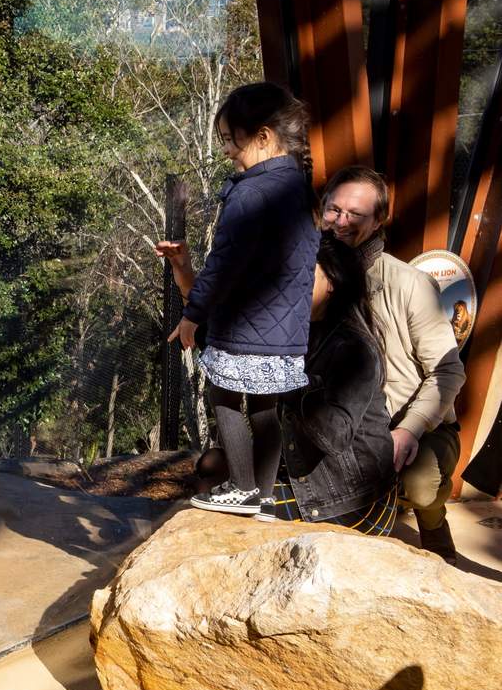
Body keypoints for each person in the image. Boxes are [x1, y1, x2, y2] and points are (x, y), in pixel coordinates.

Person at [161, 82, 321, 519]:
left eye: (232, 140)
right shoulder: (302, 191)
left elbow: (223, 264)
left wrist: (193, 314)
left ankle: (242, 488)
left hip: (246, 326)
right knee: (266, 407)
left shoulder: (250, 193)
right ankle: (263, 496)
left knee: (225, 396)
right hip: (286, 334)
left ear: (264, 137)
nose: (228, 151)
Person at [320, 165, 467, 562]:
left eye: (355, 214)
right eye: (334, 210)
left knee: (421, 482)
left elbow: (449, 371)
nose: (340, 222)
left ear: (379, 220)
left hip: (408, 424)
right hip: (338, 419)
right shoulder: (309, 275)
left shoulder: (409, 283)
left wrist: (409, 429)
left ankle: (432, 522)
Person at [269, 233, 397, 531]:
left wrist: (288, 378)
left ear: (333, 282)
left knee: (240, 516)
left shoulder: (354, 348)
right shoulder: (302, 332)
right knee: (215, 482)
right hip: (320, 487)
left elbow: (335, 436)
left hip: (356, 502)